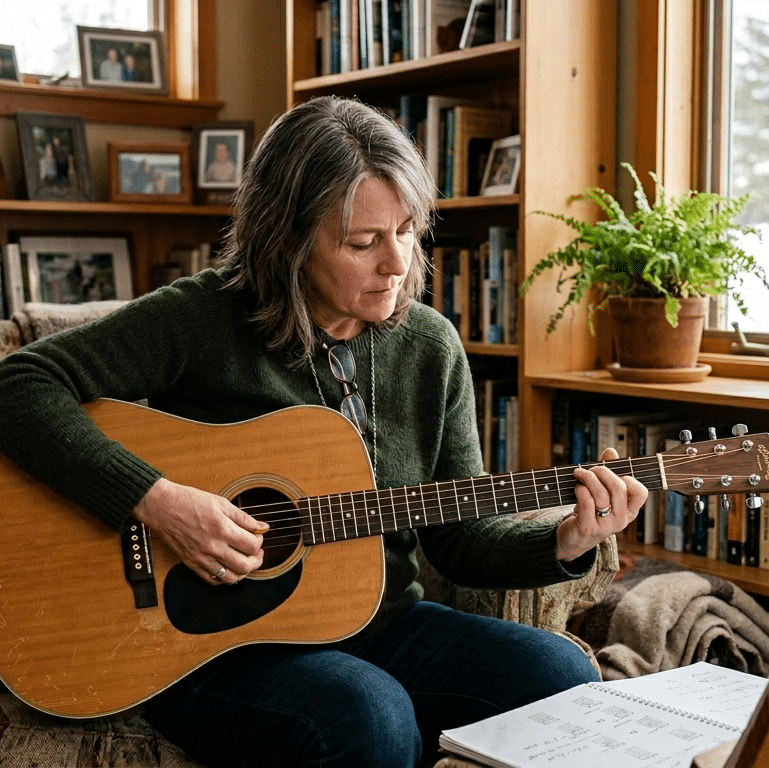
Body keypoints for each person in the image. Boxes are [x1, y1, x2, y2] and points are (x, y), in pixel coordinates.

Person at [0, 96, 647, 768]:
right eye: (363, 242)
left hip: (379, 622)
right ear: (287, 240)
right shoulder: (202, 317)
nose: (395, 263)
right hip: (202, 642)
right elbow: (17, 385)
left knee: (559, 678)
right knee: (367, 716)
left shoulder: (428, 346)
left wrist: (566, 539)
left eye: (406, 230)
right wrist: (157, 500)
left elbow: (456, 536)